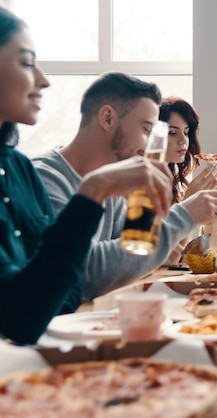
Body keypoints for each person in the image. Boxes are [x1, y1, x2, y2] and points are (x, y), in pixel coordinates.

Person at [0, 7, 174, 344]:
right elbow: (21, 316)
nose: (44, 80)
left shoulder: (19, 169)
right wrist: (95, 190)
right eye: (25, 62)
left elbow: (68, 292)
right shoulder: (46, 173)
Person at [33, 73, 217, 302]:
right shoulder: (43, 178)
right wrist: (185, 214)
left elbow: (133, 261)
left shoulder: (115, 186)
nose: (151, 146)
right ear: (107, 119)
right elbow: (85, 273)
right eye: (147, 130)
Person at [159, 96, 217, 265]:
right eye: (172, 133)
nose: (183, 141)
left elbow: (185, 254)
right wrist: (187, 207)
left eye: (186, 132)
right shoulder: (140, 183)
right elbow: (164, 259)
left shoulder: (172, 182)